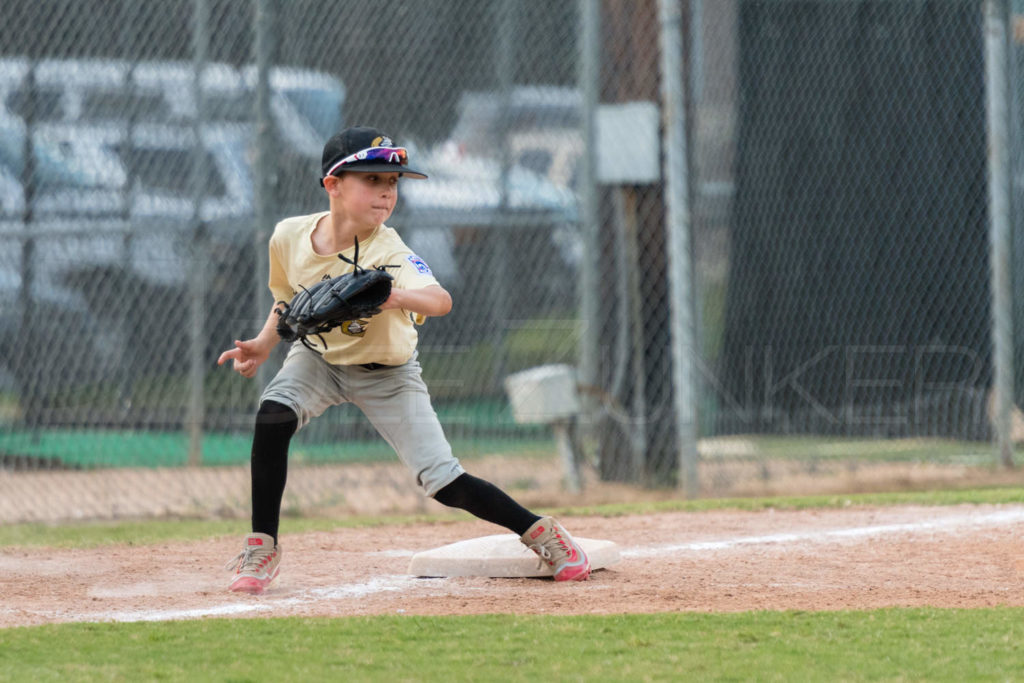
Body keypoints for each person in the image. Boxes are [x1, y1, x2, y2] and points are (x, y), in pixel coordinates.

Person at [217, 126, 590, 593]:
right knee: (272, 418)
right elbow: (288, 301)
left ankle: (543, 533)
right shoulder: (289, 237)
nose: (386, 191)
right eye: (372, 179)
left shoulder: (388, 250)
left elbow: (441, 300)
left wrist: (395, 296)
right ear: (332, 184)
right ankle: (262, 548)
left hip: (388, 374)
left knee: (445, 483)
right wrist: (263, 343)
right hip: (318, 360)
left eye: (392, 183)